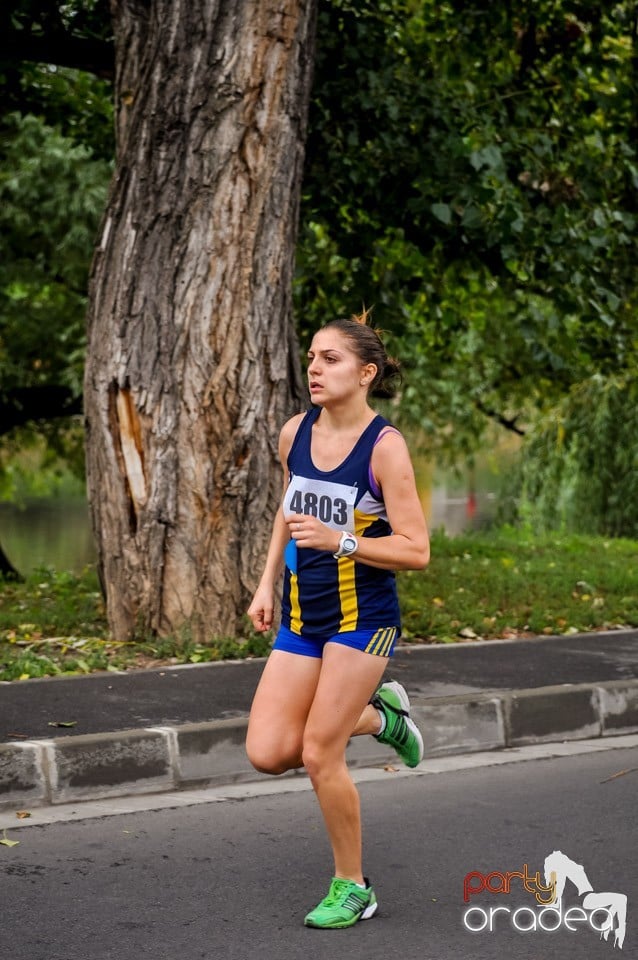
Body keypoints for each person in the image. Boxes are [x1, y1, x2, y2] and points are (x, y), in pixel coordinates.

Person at [246, 311, 430, 930]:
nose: (315, 369)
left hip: (364, 620)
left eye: (331, 359)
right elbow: (288, 504)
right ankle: (384, 717)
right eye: (312, 358)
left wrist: (342, 540)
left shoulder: (385, 447)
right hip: (303, 618)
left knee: (320, 750)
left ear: (366, 372)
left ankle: (353, 886)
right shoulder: (294, 431)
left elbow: (417, 549)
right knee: (269, 752)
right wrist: (266, 580)